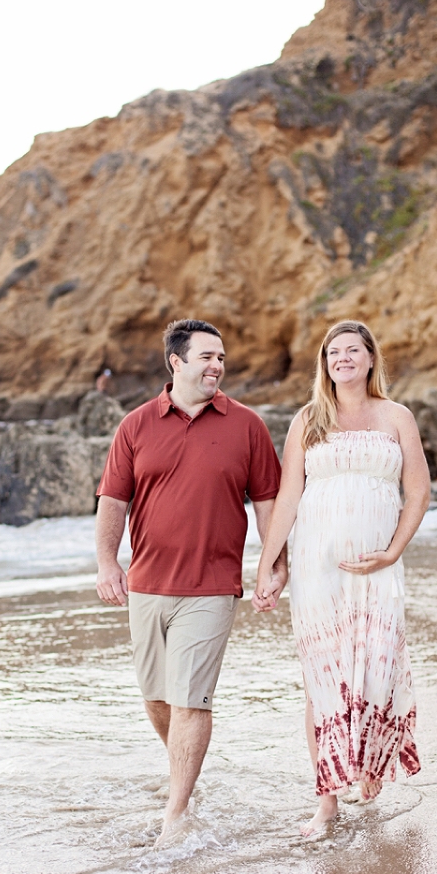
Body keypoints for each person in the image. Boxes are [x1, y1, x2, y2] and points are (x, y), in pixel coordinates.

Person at [95, 318, 286, 840]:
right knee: (156, 696)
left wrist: (272, 562)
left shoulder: (246, 425)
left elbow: (268, 500)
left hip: (212, 585)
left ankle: (176, 814)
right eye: (206, 357)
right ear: (176, 362)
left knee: (190, 699)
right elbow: (114, 499)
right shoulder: (135, 425)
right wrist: (108, 563)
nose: (217, 366)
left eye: (221, 357)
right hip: (148, 583)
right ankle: (184, 771)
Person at [253, 320, 430, 835]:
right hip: (317, 565)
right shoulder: (308, 419)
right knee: (322, 677)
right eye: (334, 352)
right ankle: (326, 798)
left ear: (371, 359)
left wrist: (392, 552)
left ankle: (369, 763)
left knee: (377, 666)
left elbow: (417, 492)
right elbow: (288, 497)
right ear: (324, 364)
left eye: (353, 350)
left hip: (378, 567)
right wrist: (267, 563)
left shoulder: (397, 417)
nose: (344, 359)